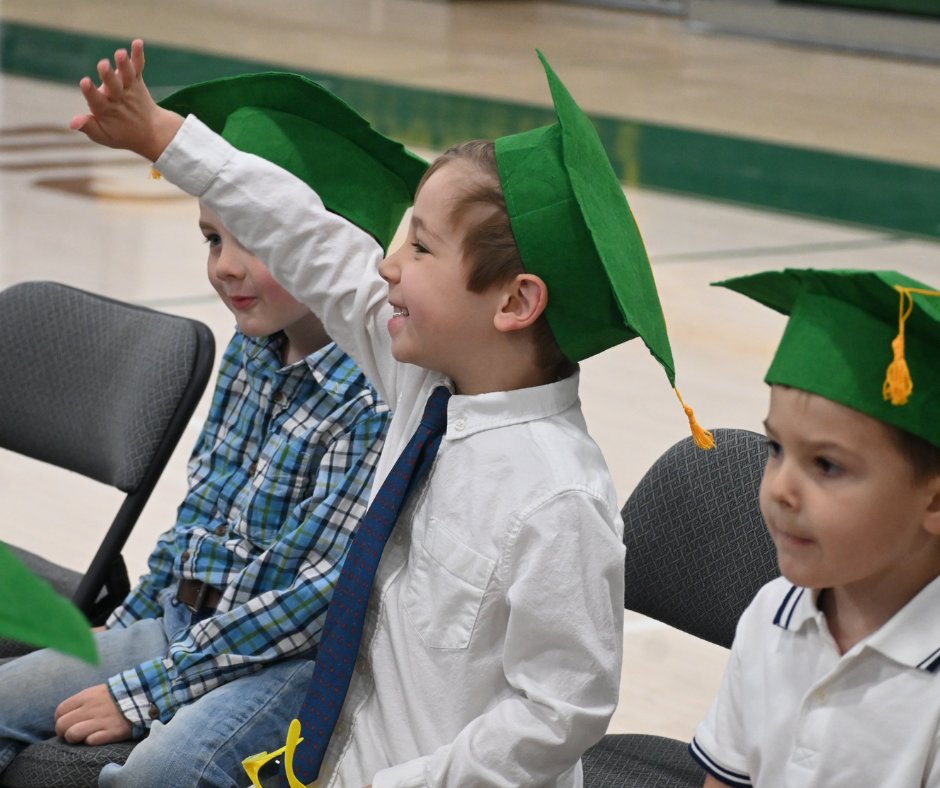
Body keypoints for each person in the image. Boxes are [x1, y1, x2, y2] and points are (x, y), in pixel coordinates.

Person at [70, 39, 712, 786]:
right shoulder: (427, 390)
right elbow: (312, 240)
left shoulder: (557, 498)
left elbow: (557, 713)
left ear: (514, 302)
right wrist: (164, 138)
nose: (386, 263)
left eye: (421, 247)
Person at [0, 71, 427, 786]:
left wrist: (147, 690)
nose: (226, 268)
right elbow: (205, 508)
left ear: (330, 246)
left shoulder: (379, 392)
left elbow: (309, 601)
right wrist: (128, 620)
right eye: (210, 238)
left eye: (255, 240)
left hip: (291, 661)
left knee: (166, 770)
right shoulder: (253, 345)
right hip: (181, 625)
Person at [690, 268, 940, 787]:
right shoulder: (772, 615)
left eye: (827, 465)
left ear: (934, 500)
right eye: (775, 449)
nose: (781, 487)